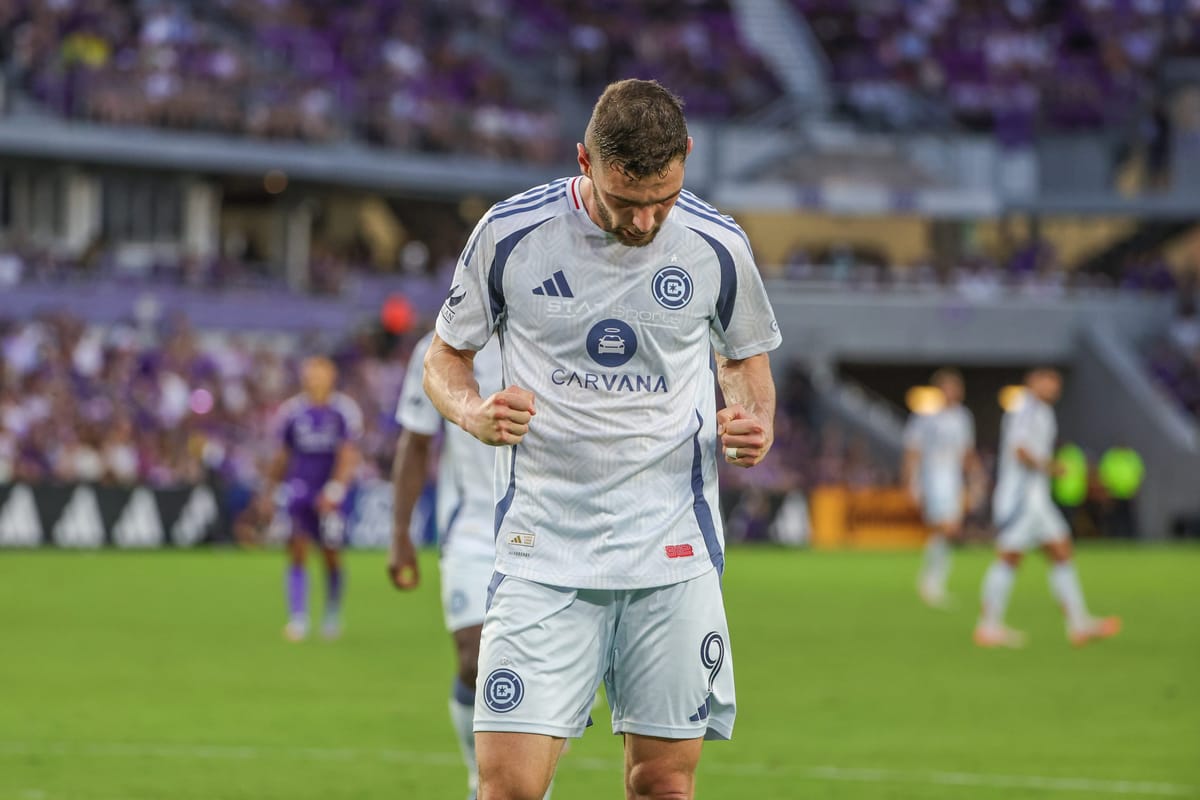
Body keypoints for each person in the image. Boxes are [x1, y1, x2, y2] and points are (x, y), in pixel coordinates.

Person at [422, 79, 781, 800]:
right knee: (508, 790)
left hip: (672, 554)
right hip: (543, 553)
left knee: (663, 786)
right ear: (584, 161)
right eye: (626, 202)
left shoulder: (717, 244)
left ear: (687, 157)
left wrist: (751, 419)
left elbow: (743, 360)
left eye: (664, 201)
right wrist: (471, 413)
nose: (646, 222)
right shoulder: (509, 234)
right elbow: (444, 358)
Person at [390, 331, 558, 800]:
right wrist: (401, 534)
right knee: (473, 658)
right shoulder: (439, 347)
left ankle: (524, 782)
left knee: (534, 670)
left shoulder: (549, 331)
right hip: (472, 531)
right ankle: (479, 776)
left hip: (545, 531)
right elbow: (416, 440)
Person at [975, 368, 1121, 648]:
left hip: (1037, 499)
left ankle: (1078, 624)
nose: (1053, 387)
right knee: (1009, 558)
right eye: (1047, 381)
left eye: (1056, 382)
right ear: (1032, 382)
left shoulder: (1042, 412)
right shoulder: (1025, 410)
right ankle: (988, 627)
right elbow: (1020, 450)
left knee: (1061, 551)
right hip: (1021, 499)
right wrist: (1051, 467)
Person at [259, 356, 362, 642]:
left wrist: (335, 489)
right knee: (297, 549)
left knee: (330, 554)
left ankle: (331, 614)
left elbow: (348, 454)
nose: (314, 378)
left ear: (331, 376)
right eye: (310, 373)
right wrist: (269, 489)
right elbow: (283, 454)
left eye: (320, 373)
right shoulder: (292, 412)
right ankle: (298, 618)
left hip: (328, 493)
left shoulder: (343, 411)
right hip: (299, 488)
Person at [902, 368, 984, 608]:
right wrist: (909, 482)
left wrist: (976, 476)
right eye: (947, 387)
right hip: (932, 478)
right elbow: (912, 451)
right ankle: (931, 583)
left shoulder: (963, 417)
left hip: (953, 479)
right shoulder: (926, 417)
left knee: (949, 529)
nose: (952, 392)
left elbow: (967, 452)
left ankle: (931, 582)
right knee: (946, 528)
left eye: (956, 387)